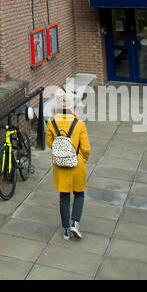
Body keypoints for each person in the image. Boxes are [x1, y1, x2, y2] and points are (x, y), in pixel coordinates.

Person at [46, 91, 91, 240]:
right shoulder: (79, 124)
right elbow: (86, 148)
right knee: (79, 194)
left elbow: (50, 144)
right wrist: (81, 160)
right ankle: (75, 223)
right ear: (72, 107)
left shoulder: (51, 123)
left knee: (64, 197)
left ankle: (66, 230)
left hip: (60, 165)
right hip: (77, 164)